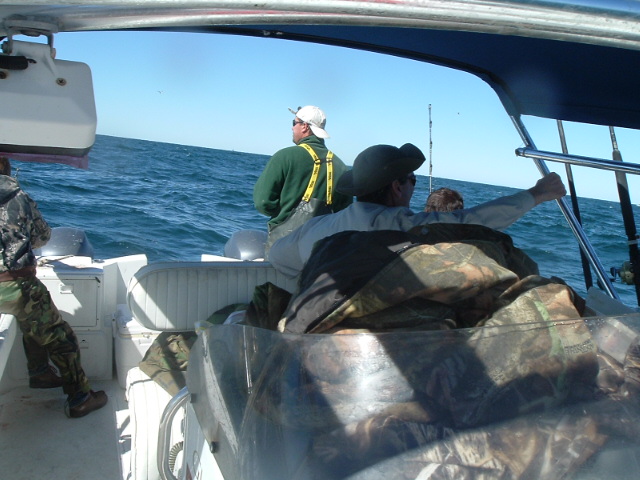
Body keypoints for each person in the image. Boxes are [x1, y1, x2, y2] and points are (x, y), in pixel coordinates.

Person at [269, 143, 566, 278]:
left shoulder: (315, 227)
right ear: (396, 187)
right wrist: (536, 194)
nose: (414, 187)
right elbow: (471, 221)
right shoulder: (400, 227)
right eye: (412, 180)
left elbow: (277, 256)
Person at [0, 157, 107, 418]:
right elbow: (42, 238)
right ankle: (80, 398)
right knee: (62, 338)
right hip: (15, 284)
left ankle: (41, 374)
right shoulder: (19, 198)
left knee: (33, 324)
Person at [253, 106, 352, 251]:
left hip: (282, 249)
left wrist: (283, 213)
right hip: (321, 252)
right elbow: (344, 214)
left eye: (294, 123)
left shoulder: (284, 156)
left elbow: (262, 202)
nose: (292, 128)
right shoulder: (342, 167)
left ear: (305, 126)